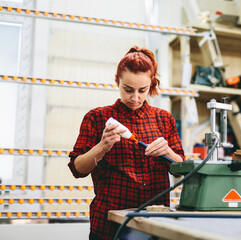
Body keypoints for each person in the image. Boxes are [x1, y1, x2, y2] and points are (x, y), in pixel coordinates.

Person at [68, 46, 185, 240]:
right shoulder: (97, 117)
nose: (135, 97)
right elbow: (77, 169)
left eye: (143, 90)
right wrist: (102, 146)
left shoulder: (164, 119)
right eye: (128, 89)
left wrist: (169, 153)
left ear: (152, 85)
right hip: (108, 226)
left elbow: (182, 169)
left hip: (154, 225)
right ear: (117, 81)